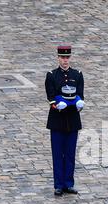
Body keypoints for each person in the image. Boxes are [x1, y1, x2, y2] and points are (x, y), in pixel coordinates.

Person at [45, 45, 84, 196]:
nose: (65, 60)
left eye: (67, 57)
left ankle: (69, 183)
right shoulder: (52, 75)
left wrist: (80, 102)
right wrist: (56, 104)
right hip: (57, 119)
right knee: (57, 154)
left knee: (70, 154)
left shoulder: (77, 74)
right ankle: (58, 184)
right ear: (58, 58)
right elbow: (50, 95)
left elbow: (80, 94)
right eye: (62, 57)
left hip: (72, 119)